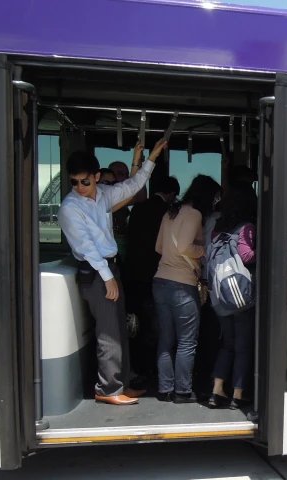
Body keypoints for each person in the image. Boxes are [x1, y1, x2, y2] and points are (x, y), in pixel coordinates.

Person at [58, 138, 167, 406]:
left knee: (119, 329)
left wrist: (150, 159)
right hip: (96, 271)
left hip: (110, 267)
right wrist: (107, 277)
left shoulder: (104, 195)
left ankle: (121, 384)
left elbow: (134, 185)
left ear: (96, 177)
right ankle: (108, 389)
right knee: (107, 332)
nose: (80, 187)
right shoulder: (69, 208)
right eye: (74, 182)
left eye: (85, 181)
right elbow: (85, 247)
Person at [154, 174, 222, 403]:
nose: (215, 202)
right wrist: (202, 251)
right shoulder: (193, 214)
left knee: (166, 340)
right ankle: (182, 391)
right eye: (215, 197)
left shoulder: (171, 211)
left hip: (160, 280)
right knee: (186, 341)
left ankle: (165, 389)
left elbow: (159, 247)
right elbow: (185, 246)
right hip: (182, 284)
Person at [123, 175, 180, 387]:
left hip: (132, 274)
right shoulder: (166, 213)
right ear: (171, 193)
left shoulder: (138, 208)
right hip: (153, 275)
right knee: (154, 326)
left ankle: (137, 367)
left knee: (135, 325)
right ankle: (153, 369)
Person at [207, 188, 258, 409]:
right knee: (243, 346)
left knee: (227, 344)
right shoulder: (246, 228)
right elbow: (246, 255)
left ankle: (217, 391)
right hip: (240, 295)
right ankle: (238, 394)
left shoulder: (217, 230)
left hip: (220, 295)